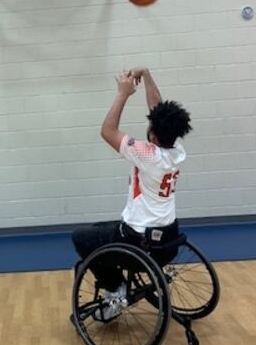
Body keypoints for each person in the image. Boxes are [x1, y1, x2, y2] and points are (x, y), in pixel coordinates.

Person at [72, 67, 192, 321]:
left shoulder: (146, 153)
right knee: (98, 228)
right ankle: (116, 282)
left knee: (81, 239)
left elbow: (107, 131)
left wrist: (123, 94)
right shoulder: (177, 150)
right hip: (167, 238)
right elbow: (158, 109)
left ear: (153, 134)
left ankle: (116, 289)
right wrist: (146, 74)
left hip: (139, 240)